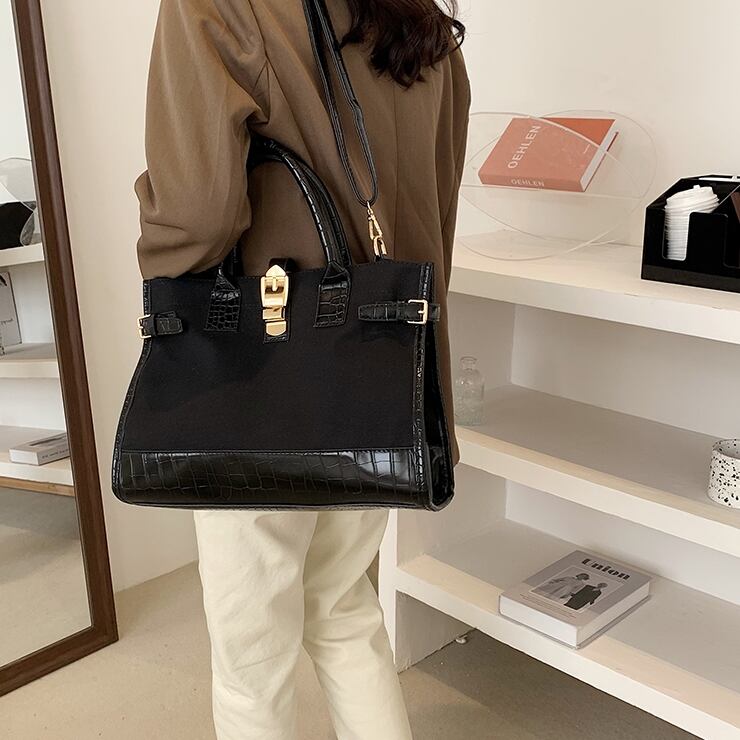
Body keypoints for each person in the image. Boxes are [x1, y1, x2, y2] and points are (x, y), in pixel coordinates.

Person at [134, 0, 470, 737]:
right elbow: (434, 215)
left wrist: (157, 257)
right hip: (381, 373)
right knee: (344, 609)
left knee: (252, 663)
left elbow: (196, 214)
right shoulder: (423, 23)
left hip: (259, 379)